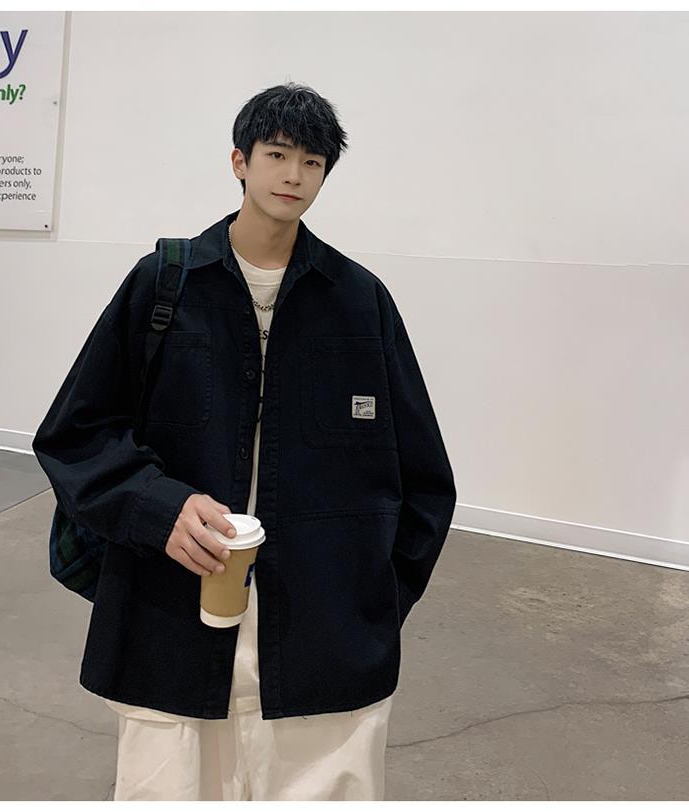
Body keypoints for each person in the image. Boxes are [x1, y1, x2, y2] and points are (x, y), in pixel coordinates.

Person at [32, 82, 457, 801]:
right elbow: (76, 434)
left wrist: (374, 604)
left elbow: (424, 480)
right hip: (171, 620)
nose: (294, 175)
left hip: (325, 642)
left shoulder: (359, 302)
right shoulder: (165, 286)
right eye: (277, 154)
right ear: (240, 161)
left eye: (312, 162)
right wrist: (158, 507)